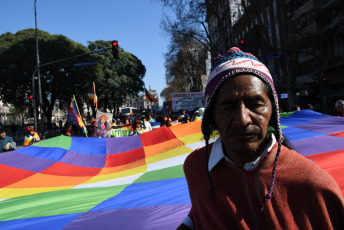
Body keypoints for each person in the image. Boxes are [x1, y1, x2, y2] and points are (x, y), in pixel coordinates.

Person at [178, 47, 344, 229]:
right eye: (227, 106)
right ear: (212, 116)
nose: (242, 119)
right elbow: (202, 213)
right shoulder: (196, 168)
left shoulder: (314, 184)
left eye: (255, 104)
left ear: (272, 111)